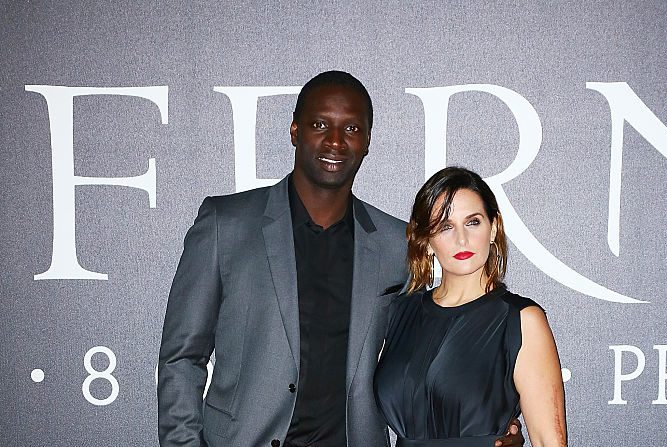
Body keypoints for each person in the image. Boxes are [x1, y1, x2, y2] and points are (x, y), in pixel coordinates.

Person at [158, 71, 524, 447]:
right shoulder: (226, 224)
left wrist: (491, 428)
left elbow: (432, 354)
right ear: (295, 131)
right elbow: (181, 358)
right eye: (320, 124)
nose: (335, 141)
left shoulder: (396, 243)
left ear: (366, 142)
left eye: (351, 129)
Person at [374, 166, 568, 447]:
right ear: (427, 241)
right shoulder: (397, 313)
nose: (461, 239)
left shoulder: (521, 321)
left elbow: (550, 441)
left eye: (473, 222)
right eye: (445, 226)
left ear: (494, 227)